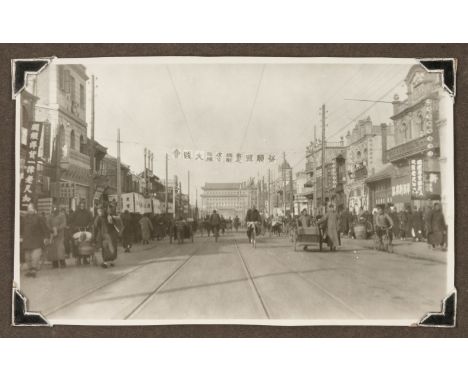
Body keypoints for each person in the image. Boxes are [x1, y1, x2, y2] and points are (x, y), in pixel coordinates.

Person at [20, 203, 50, 277]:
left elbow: (45, 228)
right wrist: (20, 236)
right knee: (27, 257)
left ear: (34, 209)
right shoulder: (25, 218)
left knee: (35, 256)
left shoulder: (39, 218)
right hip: (27, 240)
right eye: (28, 209)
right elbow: (21, 228)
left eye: (31, 208)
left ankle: (34, 270)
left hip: (36, 240)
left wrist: (46, 237)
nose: (29, 210)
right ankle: (30, 270)